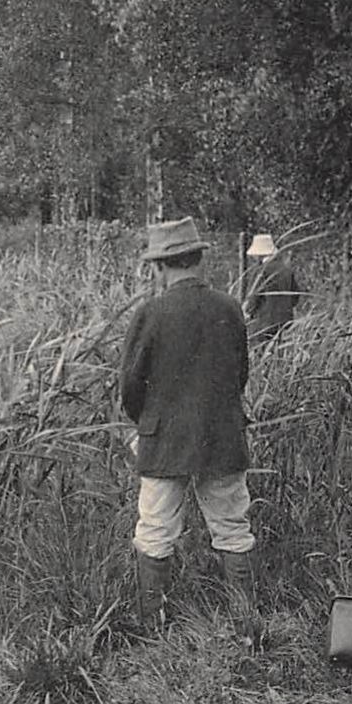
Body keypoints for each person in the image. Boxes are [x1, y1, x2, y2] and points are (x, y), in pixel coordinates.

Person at [119, 217, 259, 637]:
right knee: (233, 528)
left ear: (160, 267)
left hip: (164, 440)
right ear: (198, 259)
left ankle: (153, 631)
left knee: (155, 532)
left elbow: (130, 384)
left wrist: (146, 422)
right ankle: (245, 624)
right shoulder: (230, 308)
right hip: (222, 435)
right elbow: (240, 375)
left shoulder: (151, 313)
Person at [243, 233, 304, 343]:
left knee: (259, 352)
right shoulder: (286, 270)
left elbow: (254, 297)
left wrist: (247, 312)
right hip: (283, 321)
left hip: (262, 323)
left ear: (260, 255)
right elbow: (295, 296)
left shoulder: (261, 271)